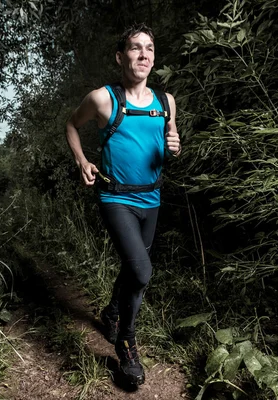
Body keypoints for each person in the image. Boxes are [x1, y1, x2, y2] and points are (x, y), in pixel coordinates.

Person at [65, 23, 181, 385]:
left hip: (153, 197)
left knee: (135, 268)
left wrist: (174, 146)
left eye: (149, 48)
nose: (144, 54)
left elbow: (168, 143)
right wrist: (83, 161)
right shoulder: (103, 99)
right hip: (115, 196)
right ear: (121, 56)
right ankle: (127, 343)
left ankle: (113, 311)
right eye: (135, 48)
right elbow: (71, 125)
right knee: (143, 272)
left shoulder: (166, 102)